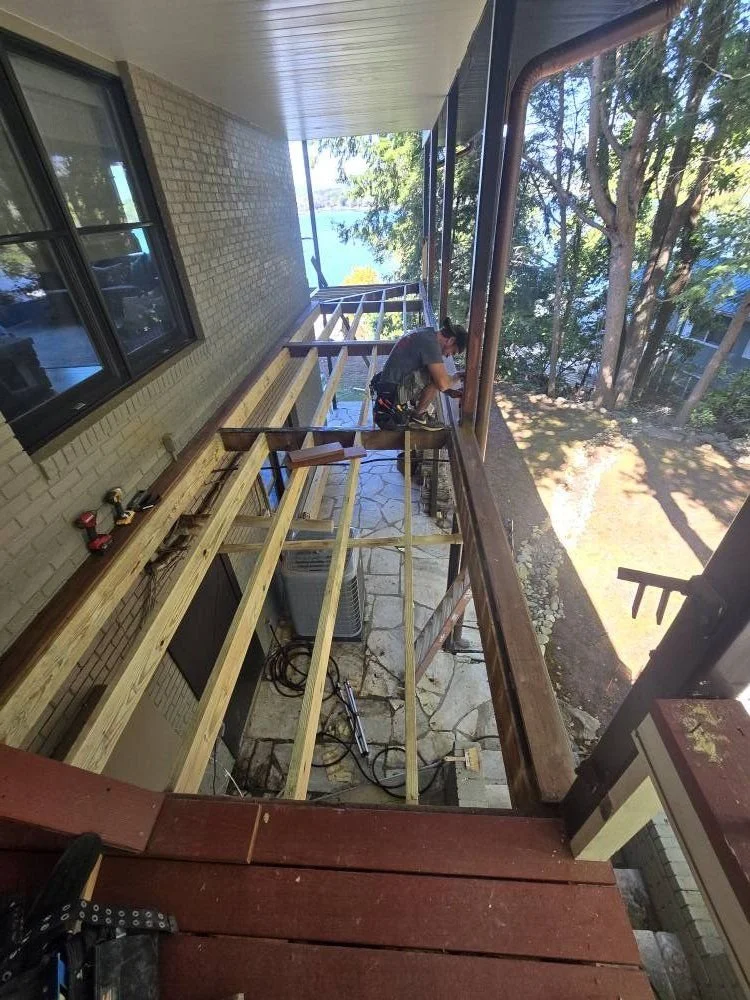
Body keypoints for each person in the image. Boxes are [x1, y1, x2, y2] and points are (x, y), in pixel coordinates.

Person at [370, 317, 466, 430]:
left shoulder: (427, 333)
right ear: (450, 340)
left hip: (388, 389)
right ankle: (419, 415)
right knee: (439, 377)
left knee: (436, 373)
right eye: (452, 352)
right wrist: (456, 377)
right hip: (392, 394)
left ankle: (418, 413)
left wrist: (448, 391)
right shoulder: (431, 344)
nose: (448, 355)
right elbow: (442, 383)